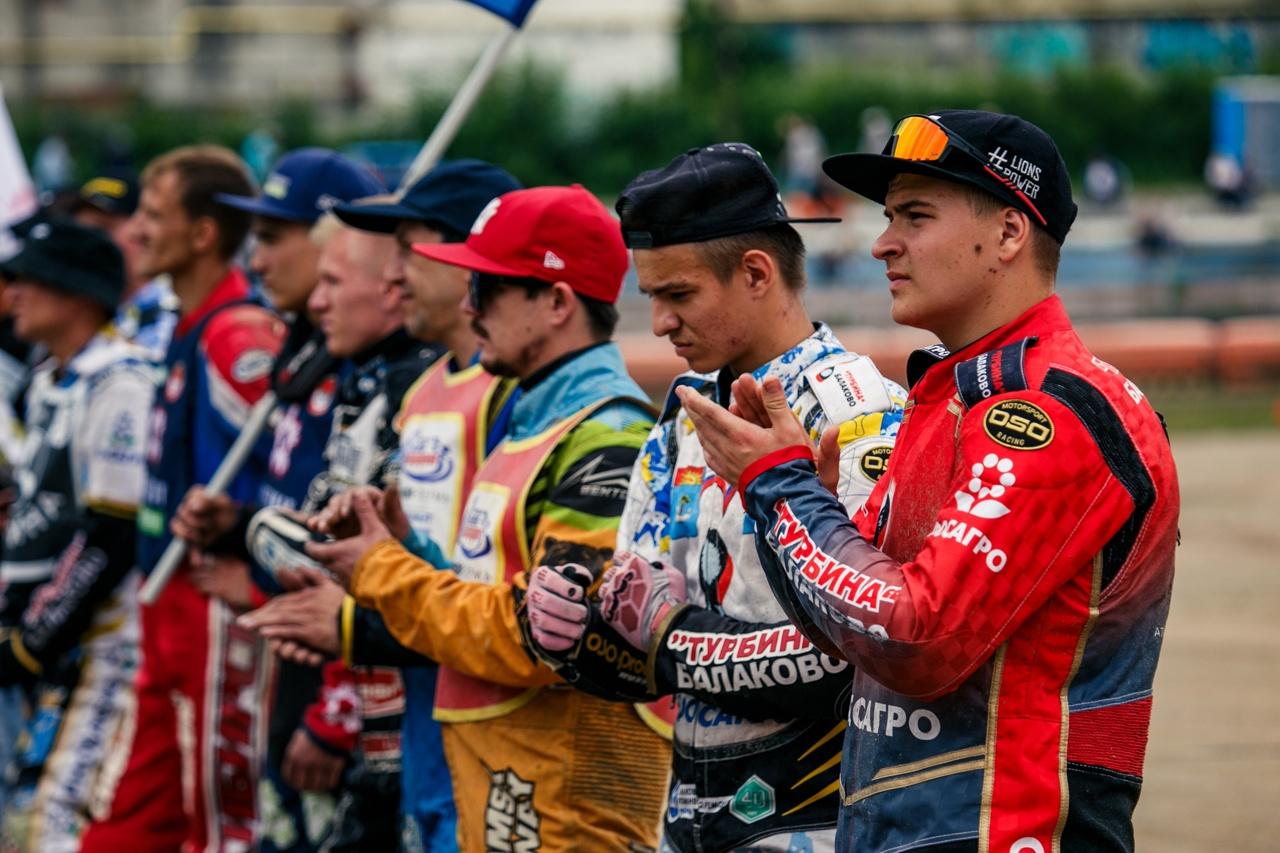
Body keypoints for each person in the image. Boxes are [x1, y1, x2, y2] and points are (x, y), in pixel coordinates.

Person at [677, 111, 1180, 852]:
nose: (882, 243)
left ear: (1009, 233)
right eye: (889, 218)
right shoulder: (950, 396)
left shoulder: (1044, 412)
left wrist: (781, 487)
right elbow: (852, 631)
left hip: (1006, 829)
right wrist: (791, 499)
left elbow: (916, 635)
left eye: (914, 216)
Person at [522, 143, 906, 852]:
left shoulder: (858, 409)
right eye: (652, 298)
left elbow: (858, 658)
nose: (659, 323)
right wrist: (574, 631)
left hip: (817, 825)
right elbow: (637, 635)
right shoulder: (681, 417)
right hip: (689, 821)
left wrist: (670, 637)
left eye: (678, 295)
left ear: (756, 272)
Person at [297, 185, 672, 851]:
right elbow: (493, 586)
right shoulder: (537, 418)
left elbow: (546, 636)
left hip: (565, 807)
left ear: (556, 303)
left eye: (490, 288)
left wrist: (381, 571)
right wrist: (404, 545)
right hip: (511, 791)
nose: (470, 306)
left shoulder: (606, 438)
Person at [253, 158, 523, 851]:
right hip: (420, 741)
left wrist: (353, 626)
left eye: (410, 251)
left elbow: (507, 610)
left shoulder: (519, 398)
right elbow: (423, 573)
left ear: (471, 258)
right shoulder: (426, 389)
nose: (394, 275)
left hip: (500, 754)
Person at [171, 147, 385, 853]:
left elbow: (367, 555)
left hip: (341, 681)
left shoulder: (370, 372)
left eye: (272, 237)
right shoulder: (308, 353)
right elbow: (302, 513)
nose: (256, 260)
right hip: (293, 658)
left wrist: (335, 713)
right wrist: (236, 528)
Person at [81, 145, 288, 852]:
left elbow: (294, 475)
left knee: (223, 828)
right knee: (127, 824)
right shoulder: (188, 322)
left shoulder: (236, 334)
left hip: (214, 617)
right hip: (165, 612)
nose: (135, 229)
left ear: (202, 233)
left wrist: (254, 577)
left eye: (152, 213)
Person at [0, 219, 153, 850]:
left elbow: (113, 534)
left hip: (106, 646)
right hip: (49, 640)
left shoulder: (121, 381)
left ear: (78, 295)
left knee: (58, 821)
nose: (14, 295)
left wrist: (33, 640)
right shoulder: (48, 379)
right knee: (25, 819)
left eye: (32, 280)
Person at [70, 174, 179, 358]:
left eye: (101, 229)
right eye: (79, 232)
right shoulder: (85, 311)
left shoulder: (169, 310)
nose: (87, 243)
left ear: (142, 229)